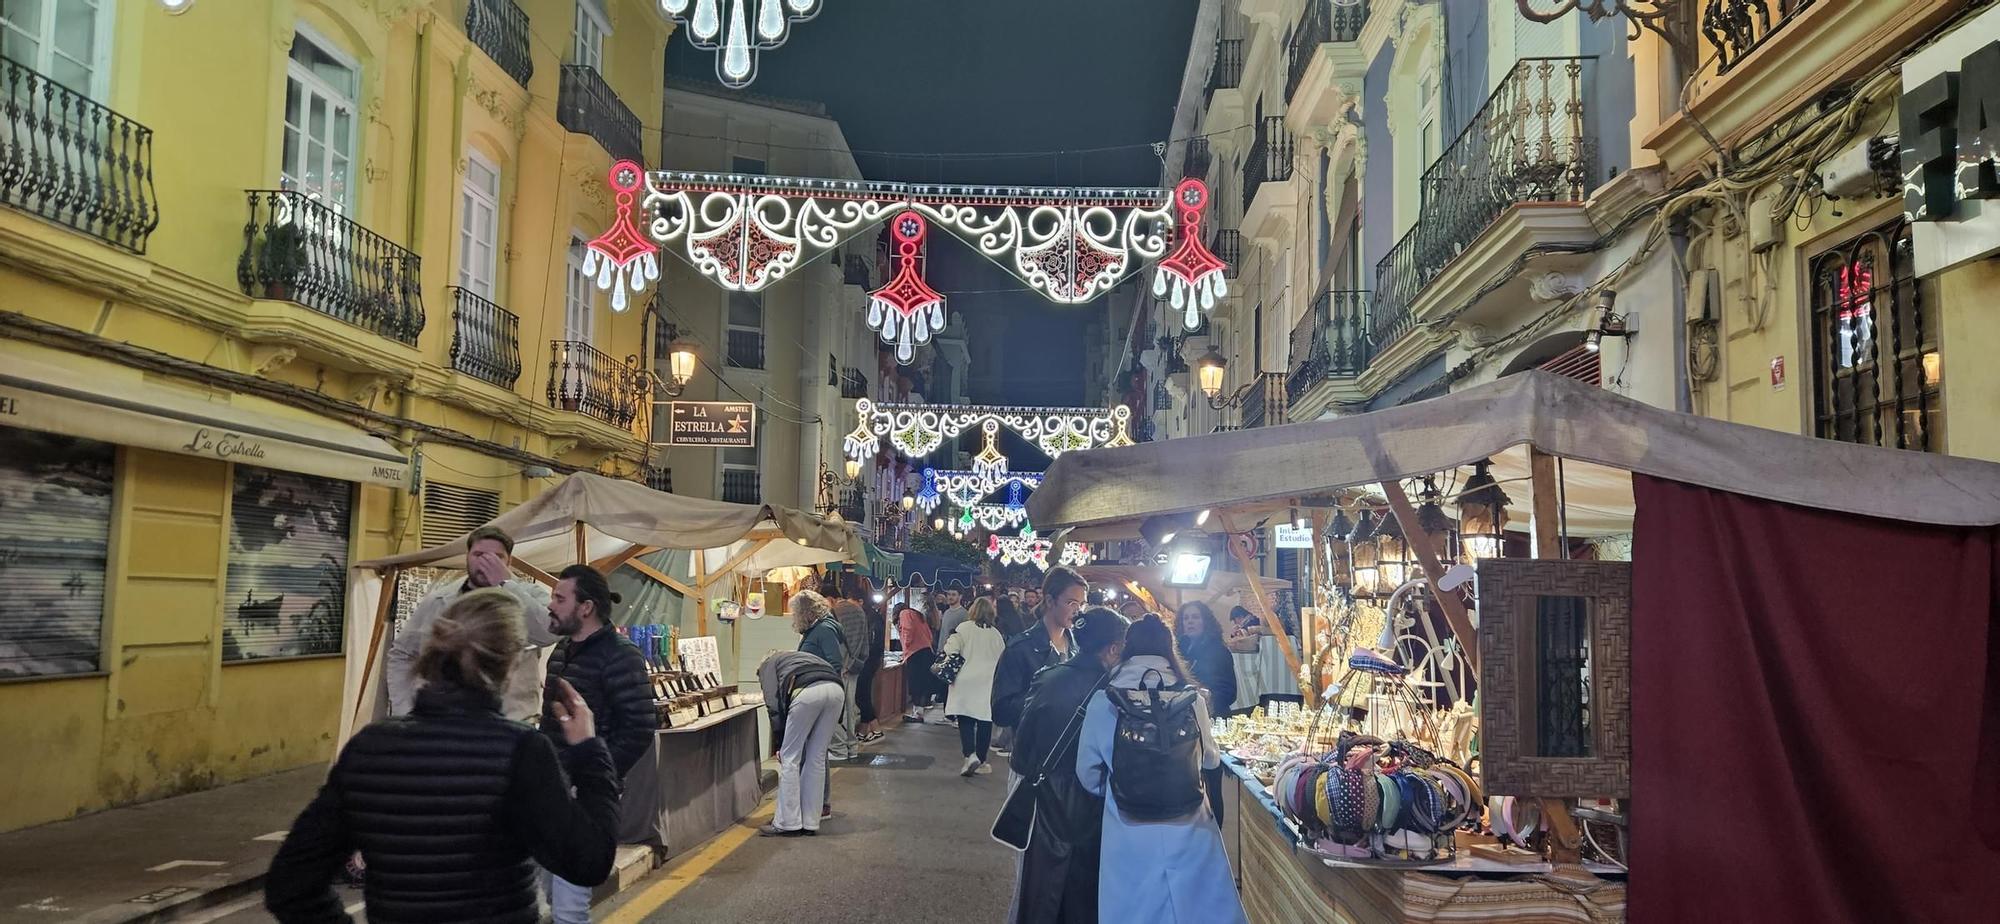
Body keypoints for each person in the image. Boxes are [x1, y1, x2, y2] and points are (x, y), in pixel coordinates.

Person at [264, 589, 619, 923]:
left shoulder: (369, 747)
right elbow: (588, 862)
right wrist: (590, 753)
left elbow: (289, 885)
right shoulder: (520, 750)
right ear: (510, 665)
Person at [1075, 615, 1246, 924]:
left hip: (1127, 823)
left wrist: (1119, 787)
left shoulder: (1105, 700)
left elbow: (1087, 773)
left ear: (1128, 648)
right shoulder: (1191, 699)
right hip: (1189, 820)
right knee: (1195, 907)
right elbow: (1209, 759)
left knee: (1133, 908)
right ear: (1170, 648)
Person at [541, 565, 656, 923]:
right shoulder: (561, 651)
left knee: (570, 904)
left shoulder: (622, 655)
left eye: (560, 598)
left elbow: (639, 728)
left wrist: (594, 774)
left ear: (586, 607)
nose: (550, 605)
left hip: (585, 794)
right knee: (547, 889)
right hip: (551, 789)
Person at [1007, 607, 1129, 924]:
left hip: (1047, 800)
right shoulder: (1117, 693)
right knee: (1086, 896)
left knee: (1042, 893)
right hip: (1095, 805)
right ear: (1113, 648)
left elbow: (1020, 754)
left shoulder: (1047, 678)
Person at [387, 526, 555, 723]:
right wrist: (405, 708)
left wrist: (505, 584)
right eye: (479, 554)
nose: (486, 562)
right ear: (467, 557)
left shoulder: (531, 595)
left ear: (508, 561)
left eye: (497, 557)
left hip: (511, 722)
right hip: (445, 721)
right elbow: (402, 653)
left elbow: (548, 633)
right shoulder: (439, 600)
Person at [756, 649, 845, 837]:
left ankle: (787, 823)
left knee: (790, 758)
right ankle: (810, 822)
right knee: (817, 757)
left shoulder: (768, 666)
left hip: (807, 692)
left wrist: (779, 742)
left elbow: (773, 704)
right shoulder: (796, 657)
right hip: (836, 690)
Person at [991, 567, 1089, 734]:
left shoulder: (1080, 647)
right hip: (1033, 751)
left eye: (1082, 604)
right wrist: (1045, 694)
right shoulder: (1021, 648)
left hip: (1071, 748)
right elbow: (1001, 711)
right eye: (1071, 603)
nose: (1077, 611)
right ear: (1050, 601)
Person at [1175, 601, 1239, 825]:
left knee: (1212, 782)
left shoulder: (1218, 650)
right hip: (1185, 724)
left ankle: (1216, 832)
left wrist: (1209, 695)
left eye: (1195, 617)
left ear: (1206, 621)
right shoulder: (1178, 649)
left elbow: (1230, 691)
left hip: (1212, 721)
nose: (1190, 622)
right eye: (1186, 618)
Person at [942, 596, 1007, 776]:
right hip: (988, 682)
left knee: (966, 719)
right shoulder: (996, 634)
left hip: (965, 679)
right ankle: (982, 760)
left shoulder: (963, 628)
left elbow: (950, 649)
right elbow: (1003, 659)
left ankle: (969, 755)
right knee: (985, 720)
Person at [829, 593, 872, 759]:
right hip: (854, 665)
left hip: (843, 663)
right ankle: (852, 747)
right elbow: (862, 641)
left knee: (840, 707)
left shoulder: (839, 610)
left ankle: (840, 748)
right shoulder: (858, 611)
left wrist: (845, 663)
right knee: (850, 705)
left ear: (830, 597)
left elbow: (841, 639)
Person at [899, 603, 939, 723]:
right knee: (922, 684)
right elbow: (930, 635)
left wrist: (906, 647)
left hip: (915, 653)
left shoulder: (904, 613)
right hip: (926, 651)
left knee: (915, 683)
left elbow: (907, 631)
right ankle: (919, 712)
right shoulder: (918, 615)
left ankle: (917, 714)